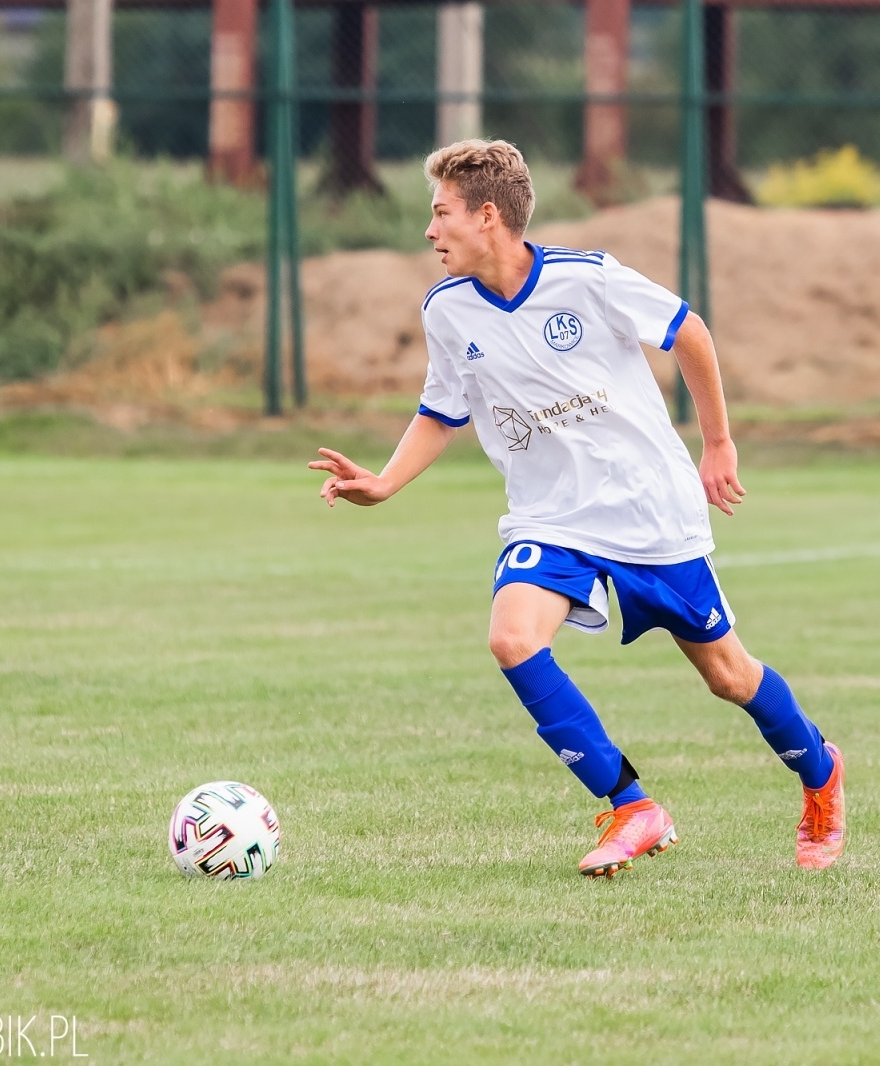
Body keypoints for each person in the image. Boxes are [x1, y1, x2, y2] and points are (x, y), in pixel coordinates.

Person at [309, 139, 845, 874]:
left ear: (487, 216)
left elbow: (688, 332)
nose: (430, 232)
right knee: (512, 638)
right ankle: (633, 808)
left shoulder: (588, 280)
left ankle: (819, 772)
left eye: (440, 214)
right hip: (550, 518)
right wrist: (387, 481)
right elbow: (441, 410)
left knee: (727, 676)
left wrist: (717, 444)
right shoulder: (447, 310)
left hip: (649, 509)